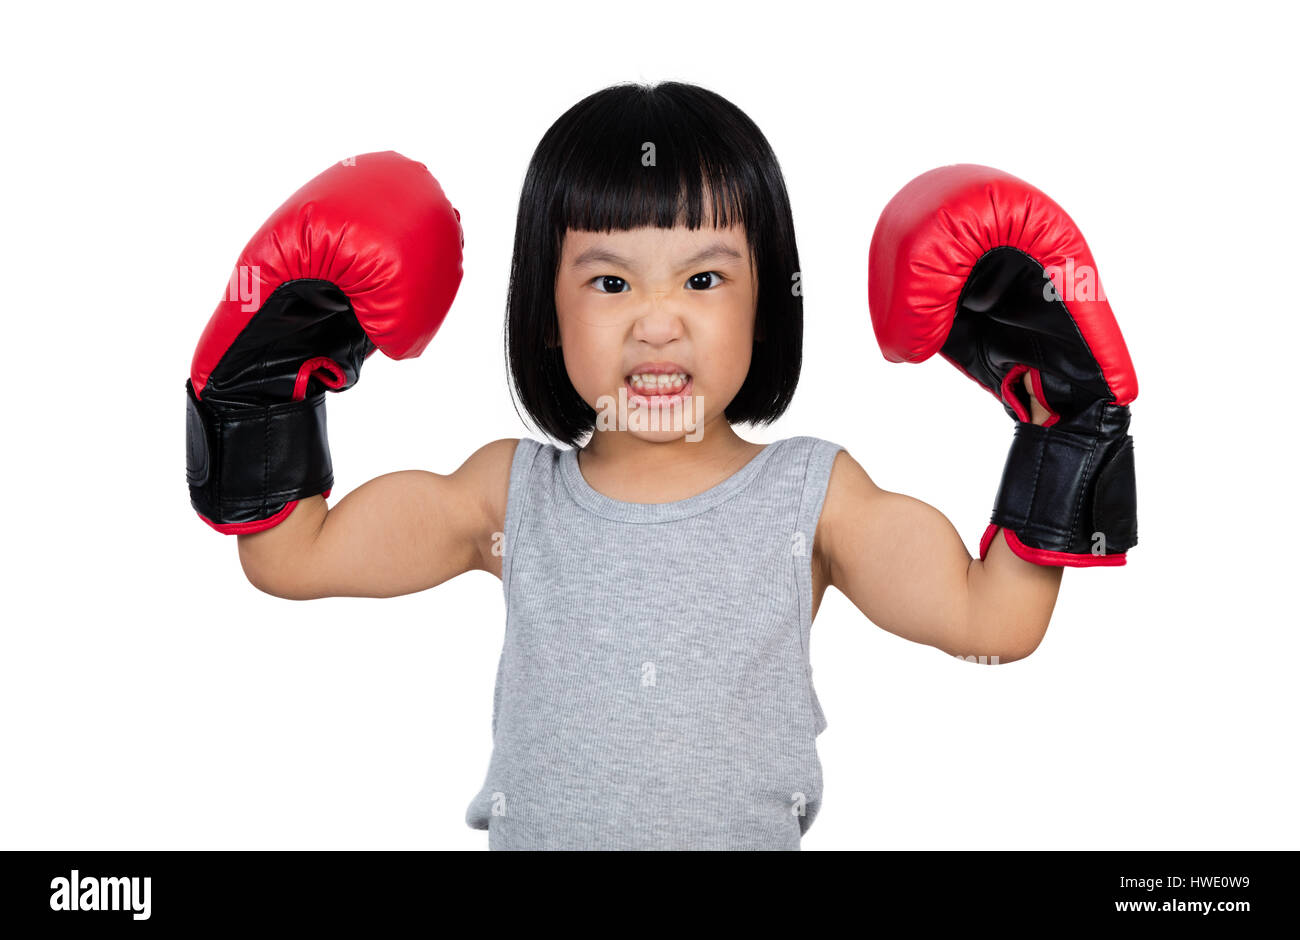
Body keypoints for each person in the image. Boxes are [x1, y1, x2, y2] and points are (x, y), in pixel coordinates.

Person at [187, 81, 1136, 850]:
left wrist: (1065, 429)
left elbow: (995, 620)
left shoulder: (813, 497)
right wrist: (261, 395)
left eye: (705, 277)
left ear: (768, 299)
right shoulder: (508, 494)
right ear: (543, 309)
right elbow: (291, 556)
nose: (657, 319)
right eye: (608, 280)